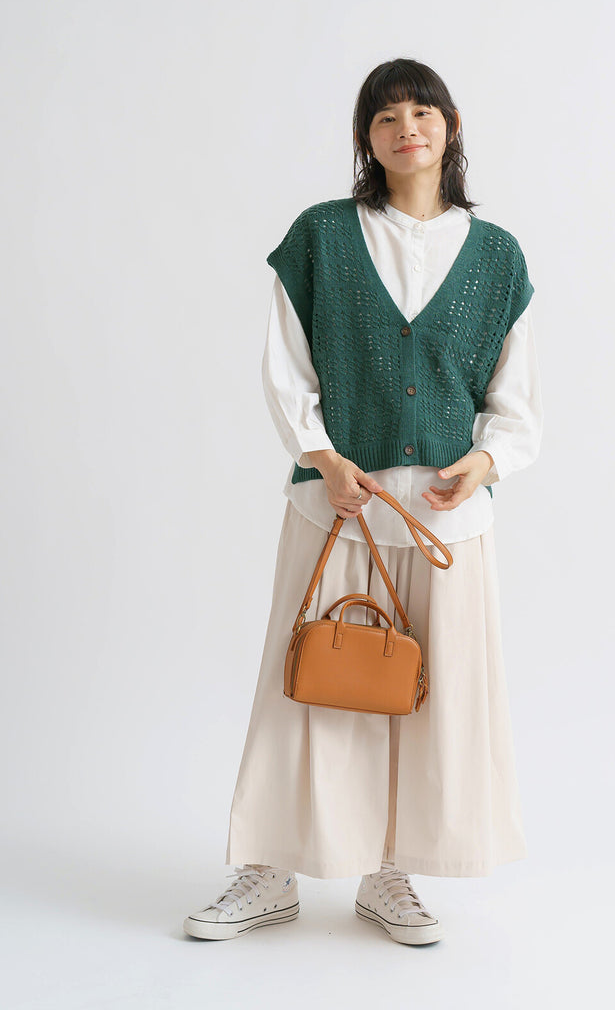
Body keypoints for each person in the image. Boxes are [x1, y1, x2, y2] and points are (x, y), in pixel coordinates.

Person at [183, 57, 542, 947]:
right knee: (305, 687)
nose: (405, 128)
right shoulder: (322, 235)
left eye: (421, 111)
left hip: (447, 519)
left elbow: (516, 400)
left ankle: (392, 874)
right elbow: (287, 367)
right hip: (337, 506)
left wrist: (486, 463)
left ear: (450, 127)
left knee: (432, 699)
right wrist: (321, 457)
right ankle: (268, 870)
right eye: (385, 117)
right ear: (365, 139)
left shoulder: (497, 255)